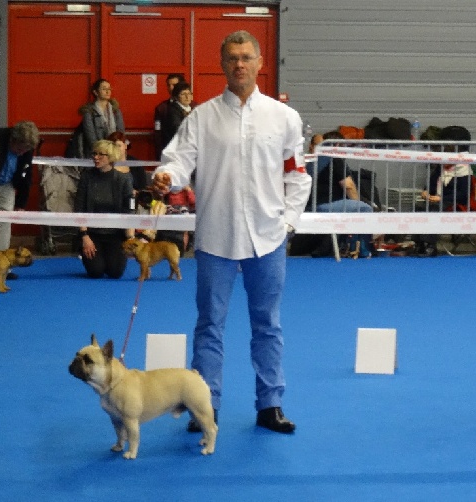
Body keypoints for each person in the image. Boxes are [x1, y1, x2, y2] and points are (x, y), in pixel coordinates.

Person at [152, 30, 312, 433]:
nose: (239, 64)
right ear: (222, 64)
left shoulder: (285, 118)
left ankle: (270, 404)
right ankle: (206, 406)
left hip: (268, 238)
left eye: (246, 57)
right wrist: (165, 177)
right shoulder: (201, 118)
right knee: (209, 324)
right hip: (215, 238)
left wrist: (289, 222)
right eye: (232, 58)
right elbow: (176, 162)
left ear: (260, 63)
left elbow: (297, 177)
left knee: (268, 324)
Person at [305, 130, 374, 258]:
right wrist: (358, 203)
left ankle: (343, 246)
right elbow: (349, 186)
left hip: (311, 205)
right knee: (365, 208)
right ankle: (362, 250)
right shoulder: (335, 159)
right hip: (325, 205)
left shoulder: (313, 161)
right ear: (337, 145)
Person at [74, 139, 134, 279]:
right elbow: (79, 208)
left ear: (111, 157)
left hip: (116, 234)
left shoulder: (124, 179)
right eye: (94, 153)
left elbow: (130, 210)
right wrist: (84, 237)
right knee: (96, 272)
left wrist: (130, 239)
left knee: (115, 273)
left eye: (101, 154)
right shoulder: (86, 177)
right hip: (92, 234)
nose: (96, 157)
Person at [414, 125, 474, 257]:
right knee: (418, 207)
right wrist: (426, 191)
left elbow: (464, 194)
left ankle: (430, 245)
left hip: (456, 203)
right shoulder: (442, 165)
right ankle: (419, 243)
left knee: (433, 209)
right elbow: (431, 183)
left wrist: (441, 198)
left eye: (448, 144)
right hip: (439, 200)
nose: (444, 147)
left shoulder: (464, 168)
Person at [0, 121, 40, 263]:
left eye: (25, 151)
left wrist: (21, 203)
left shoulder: (27, 147)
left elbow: (27, 174)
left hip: (8, 185)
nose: (22, 153)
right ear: (13, 139)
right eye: (19, 150)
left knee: (4, 224)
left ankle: (1, 263)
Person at [79, 78, 125, 159]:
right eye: (104, 89)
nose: (108, 91)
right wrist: (103, 152)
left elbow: (120, 132)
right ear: (95, 92)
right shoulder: (89, 112)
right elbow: (91, 137)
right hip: (96, 154)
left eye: (109, 89)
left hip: (114, 152)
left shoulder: (115, 110)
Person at [153, 73, 185, 160]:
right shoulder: (161, 108)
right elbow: (158, 134)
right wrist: (159, 154)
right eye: (168, 85)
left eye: (174, 85)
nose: (171, 88)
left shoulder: (194, 107)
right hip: (169, 152)